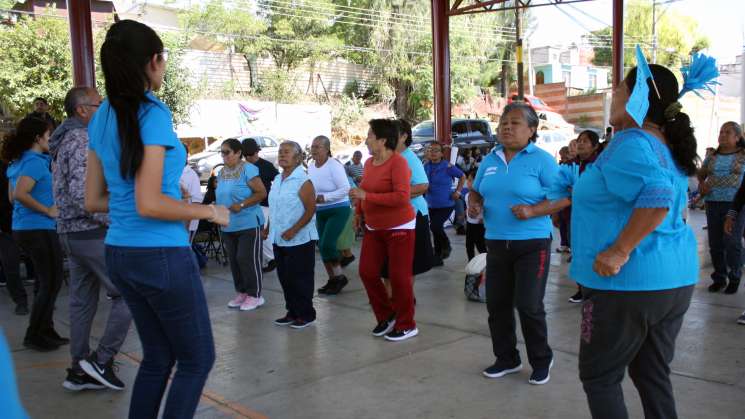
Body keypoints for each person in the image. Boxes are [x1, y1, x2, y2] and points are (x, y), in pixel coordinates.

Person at [86, 20, 229, 419]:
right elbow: (149, 203)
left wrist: (157, 202)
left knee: (157, 357)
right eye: (163, 60)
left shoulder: (101, 116)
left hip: (121, 252)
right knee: (197, 359)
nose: (163, 68)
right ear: (153, 61)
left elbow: (93, 199)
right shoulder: (152, 114)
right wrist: (208, 210)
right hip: (161, 255)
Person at [552, 63, 699, 419]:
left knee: (600, 377)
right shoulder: (664, 145)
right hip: (674, 279)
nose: (612, 96)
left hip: (626, 284)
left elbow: (658, 195)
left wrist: (619, 250)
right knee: (651, 372)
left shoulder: (629, 142)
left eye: (617, 89)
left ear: (636, 98)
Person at [468, 103, 566, 385]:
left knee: (528, 304)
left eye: (515, 123)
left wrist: (533, 211)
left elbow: (564, 196)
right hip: (496, 244)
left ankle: (541, 359)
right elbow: (476, 191)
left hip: (532, 244)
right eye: (503, 124)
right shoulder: (490, 159)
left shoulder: (542, 160)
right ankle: (507, 358)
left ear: (532, 130)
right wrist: (475, 205)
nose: (507, 128)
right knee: (497, 306)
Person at [50, 86, 134, 391]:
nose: (105, 110)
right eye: (99, 105)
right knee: (130, 294)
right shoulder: (83, 139)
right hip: (90, 232)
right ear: (82, 110)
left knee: (82, 302)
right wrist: (121, 216)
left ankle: (78, 370)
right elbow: (85, 197)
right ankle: (101, 361)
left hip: (70, 233)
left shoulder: (62, 140)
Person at [351, 119, 417, 342]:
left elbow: (401, 197)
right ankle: (386, 315)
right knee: (367, 272)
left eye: (370, 135)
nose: (366, 139)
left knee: (399, 277)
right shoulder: (369, 163)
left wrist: (366, 197)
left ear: (382, 140)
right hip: (373, 226)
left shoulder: (398, 163)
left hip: (400, 227)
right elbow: (364, 189)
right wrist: (358, 212)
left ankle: (407, 324)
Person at [3, 116, 66, 352]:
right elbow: (20, 194)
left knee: (48, 281)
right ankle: (35, 334)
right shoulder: (34, 162)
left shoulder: (16, 162)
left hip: (24, 228)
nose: (51, 140)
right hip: (38, 228)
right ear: (37, 138)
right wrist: (47, 209)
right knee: (51, 282)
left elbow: (12, 197)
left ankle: (45, 330)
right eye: (49, 136)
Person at [264, 141, 319, 329]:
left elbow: (310, 209)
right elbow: (274, 208)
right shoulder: (277, 180)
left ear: (298, 157)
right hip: (279, 238)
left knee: (300, 278)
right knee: (285, 277)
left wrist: (294, 230)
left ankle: (306, 314)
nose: (282, 155)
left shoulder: (303, 180)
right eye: (280, 152)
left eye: (286, 152)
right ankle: (292, 312)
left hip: (300, 239)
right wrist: (268, 228)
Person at [217, 138, 268, 311]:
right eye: (221, 152)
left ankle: (255, 295)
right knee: (234, 260)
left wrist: (242, 204)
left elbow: (261, 192)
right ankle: (242, 292)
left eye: (227, 152)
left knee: (246, 259)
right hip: (228, 223)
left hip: (248, 222)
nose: (223, 156)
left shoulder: (248, 169)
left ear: (238, 153)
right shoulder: (221, 172)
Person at [698, 121, 745, 294]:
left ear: (737, 137)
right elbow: (701, 174)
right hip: (713, 202)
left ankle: (735, 275)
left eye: (727, 132)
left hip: (737, 204)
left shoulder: (743, 155)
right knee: (715, 243)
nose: (722, 135)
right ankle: (719, 277)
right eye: (721, 132)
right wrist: (702, 183)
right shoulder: (712, 155)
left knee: (732, 241)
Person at [308, 135, 352, 295]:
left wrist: (325, 197)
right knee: (322, 246)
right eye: (312, 147)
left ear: (327, 149)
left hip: (338, 208)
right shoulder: (311, 166)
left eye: (317, 147)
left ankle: (339, 277)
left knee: (327, 244)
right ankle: (333, 279)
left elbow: (345, 188)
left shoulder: (334, 165)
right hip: (321, 210)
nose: (314, 150)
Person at [566, 130, 602, 304]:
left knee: (592, 251)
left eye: (585, 141)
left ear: (595, 146)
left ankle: (593, 289)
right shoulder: (572, 165)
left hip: (594, 216)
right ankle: (581, 289)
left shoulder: (599, 165)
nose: (580, 144)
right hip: (575, 214)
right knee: (578, 251)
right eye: (579, 140)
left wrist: (581, 192)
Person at [242, 138, 279, 273]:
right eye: (247, 155)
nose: (250, 158)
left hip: (264, 204)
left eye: (252, 154)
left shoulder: (267, 166)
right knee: (254, 234)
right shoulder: (243, 167)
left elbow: (279, 180)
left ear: (257, 152)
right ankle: (265, 260)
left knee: (263, 234)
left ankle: (271, 259)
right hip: (249, 205)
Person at [424, 143, 465, 263]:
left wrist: (458, 191)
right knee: (436, 229)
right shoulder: (426, 166)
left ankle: (446, 245)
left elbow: (462, 176)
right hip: (431, 204)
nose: (433, 152)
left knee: (435, 226)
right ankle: (438, 256)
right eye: (430, 150)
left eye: (436, 150)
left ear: (442, 153)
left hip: (446, 204)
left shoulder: (447, 166)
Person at [0, 159, 29, 315]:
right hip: (6, 228)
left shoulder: (7, 167)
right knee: (10, 267)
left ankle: (42, 298)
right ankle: (21, 301)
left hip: (22, 221)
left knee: (37, 262)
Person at [180, 143, 204, 242]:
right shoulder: (170, 171)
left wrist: (186, 227)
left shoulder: (191, 175)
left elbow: (196, 203)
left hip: (187, 226)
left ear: (186, 155)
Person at [464, 169, 485, 261]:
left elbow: (488, 209)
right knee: (469, 245)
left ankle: (485, 266)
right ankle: (471, 265)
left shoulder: (483, 196)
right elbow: (467, 208)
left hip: (480, 225)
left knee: (481, 246)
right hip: (470, 224)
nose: (467, 182)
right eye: (467, 180)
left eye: (470, 180)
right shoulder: (467, 195)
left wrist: (484, 218)